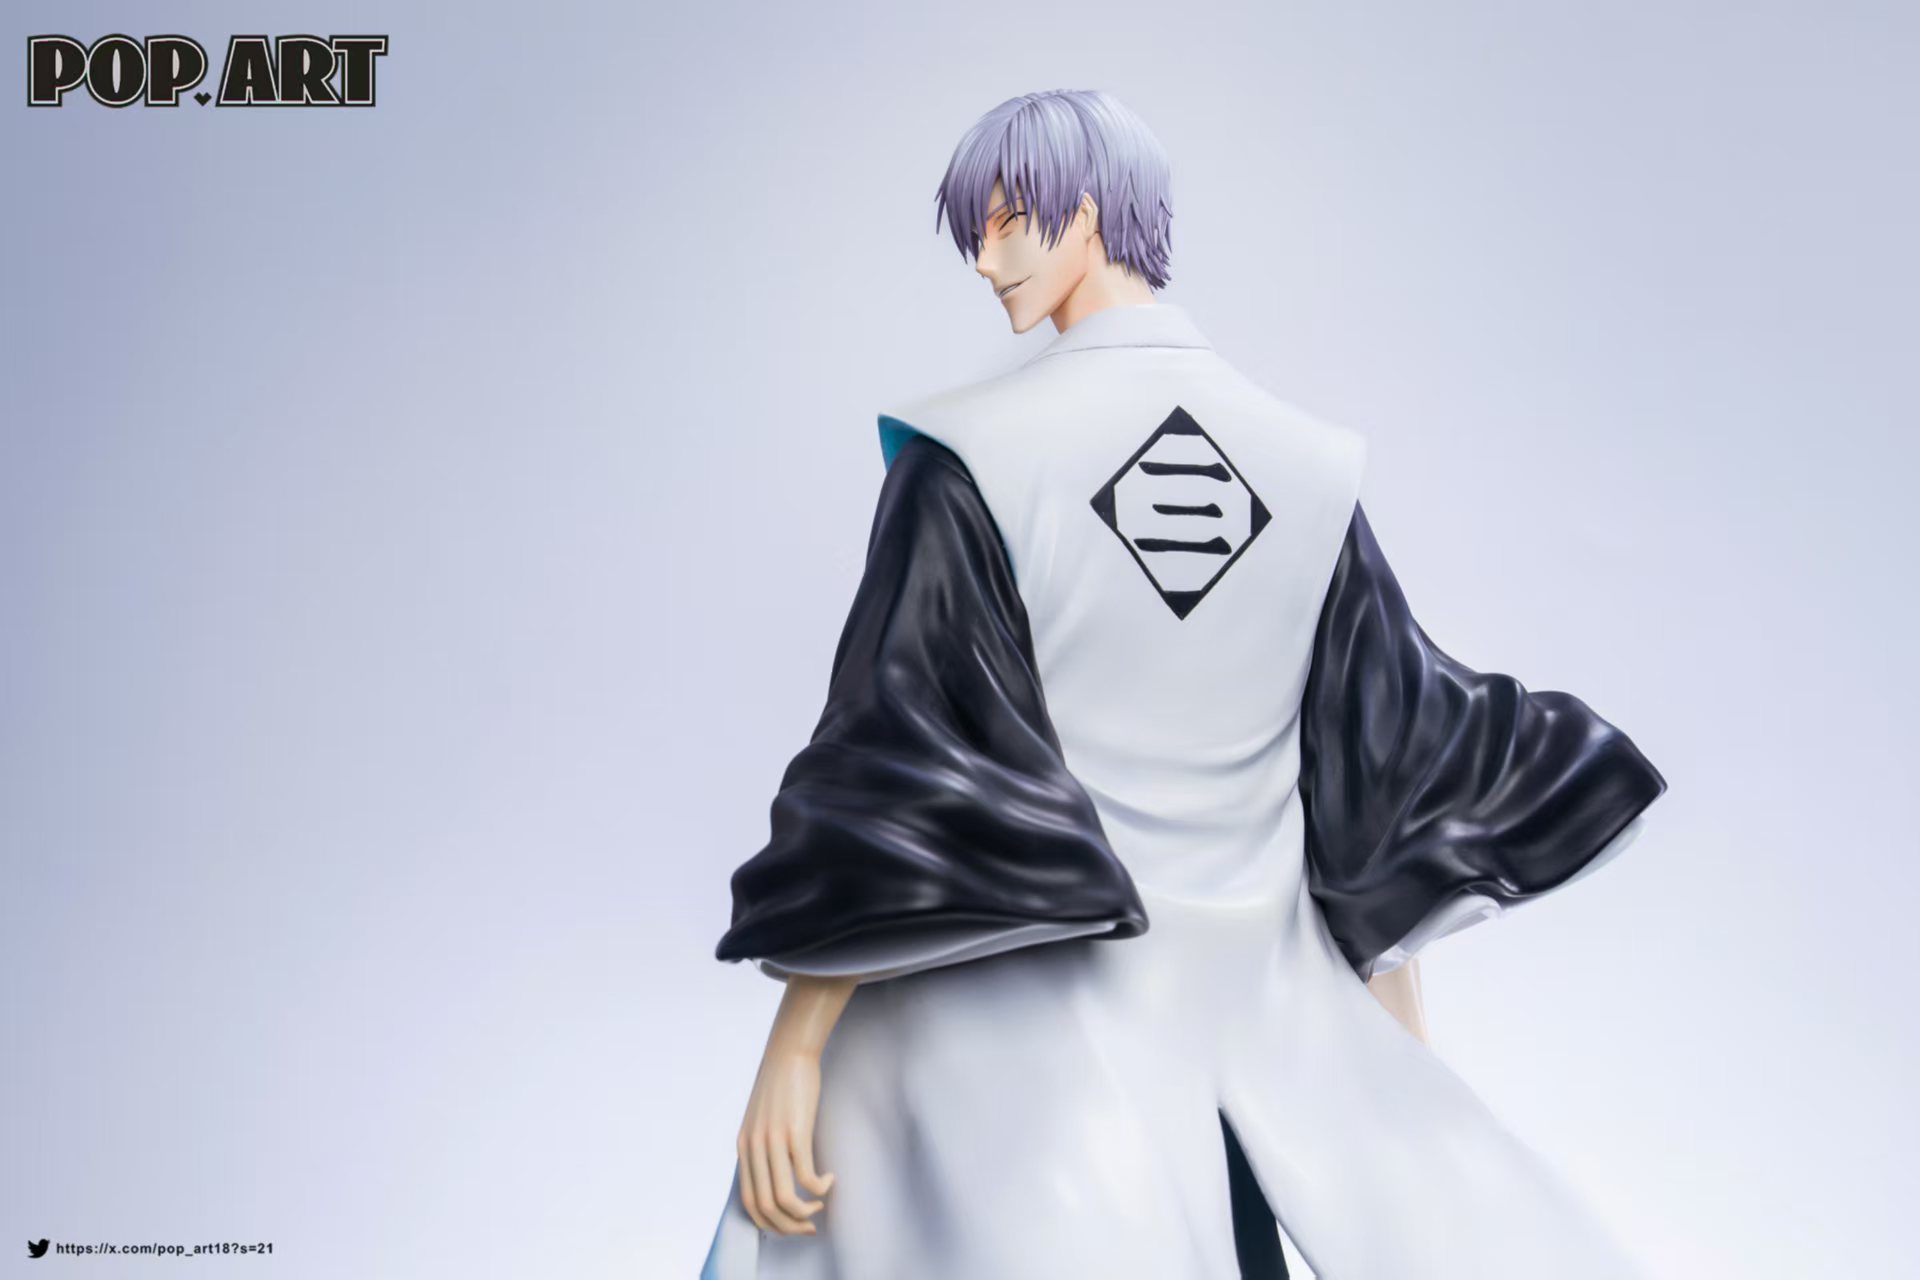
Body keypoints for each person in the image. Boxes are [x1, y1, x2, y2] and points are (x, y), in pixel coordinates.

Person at [699, 88, 1666, 1280]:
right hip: (1260, 1049)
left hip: (1021, 1074)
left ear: (1086, 213)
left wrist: (795, 1043)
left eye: (1005, 222)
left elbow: (904, 751)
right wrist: (1397, 1081)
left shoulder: (969, 458)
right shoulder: (1309, 466)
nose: (984, 260)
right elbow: (1376, 789)